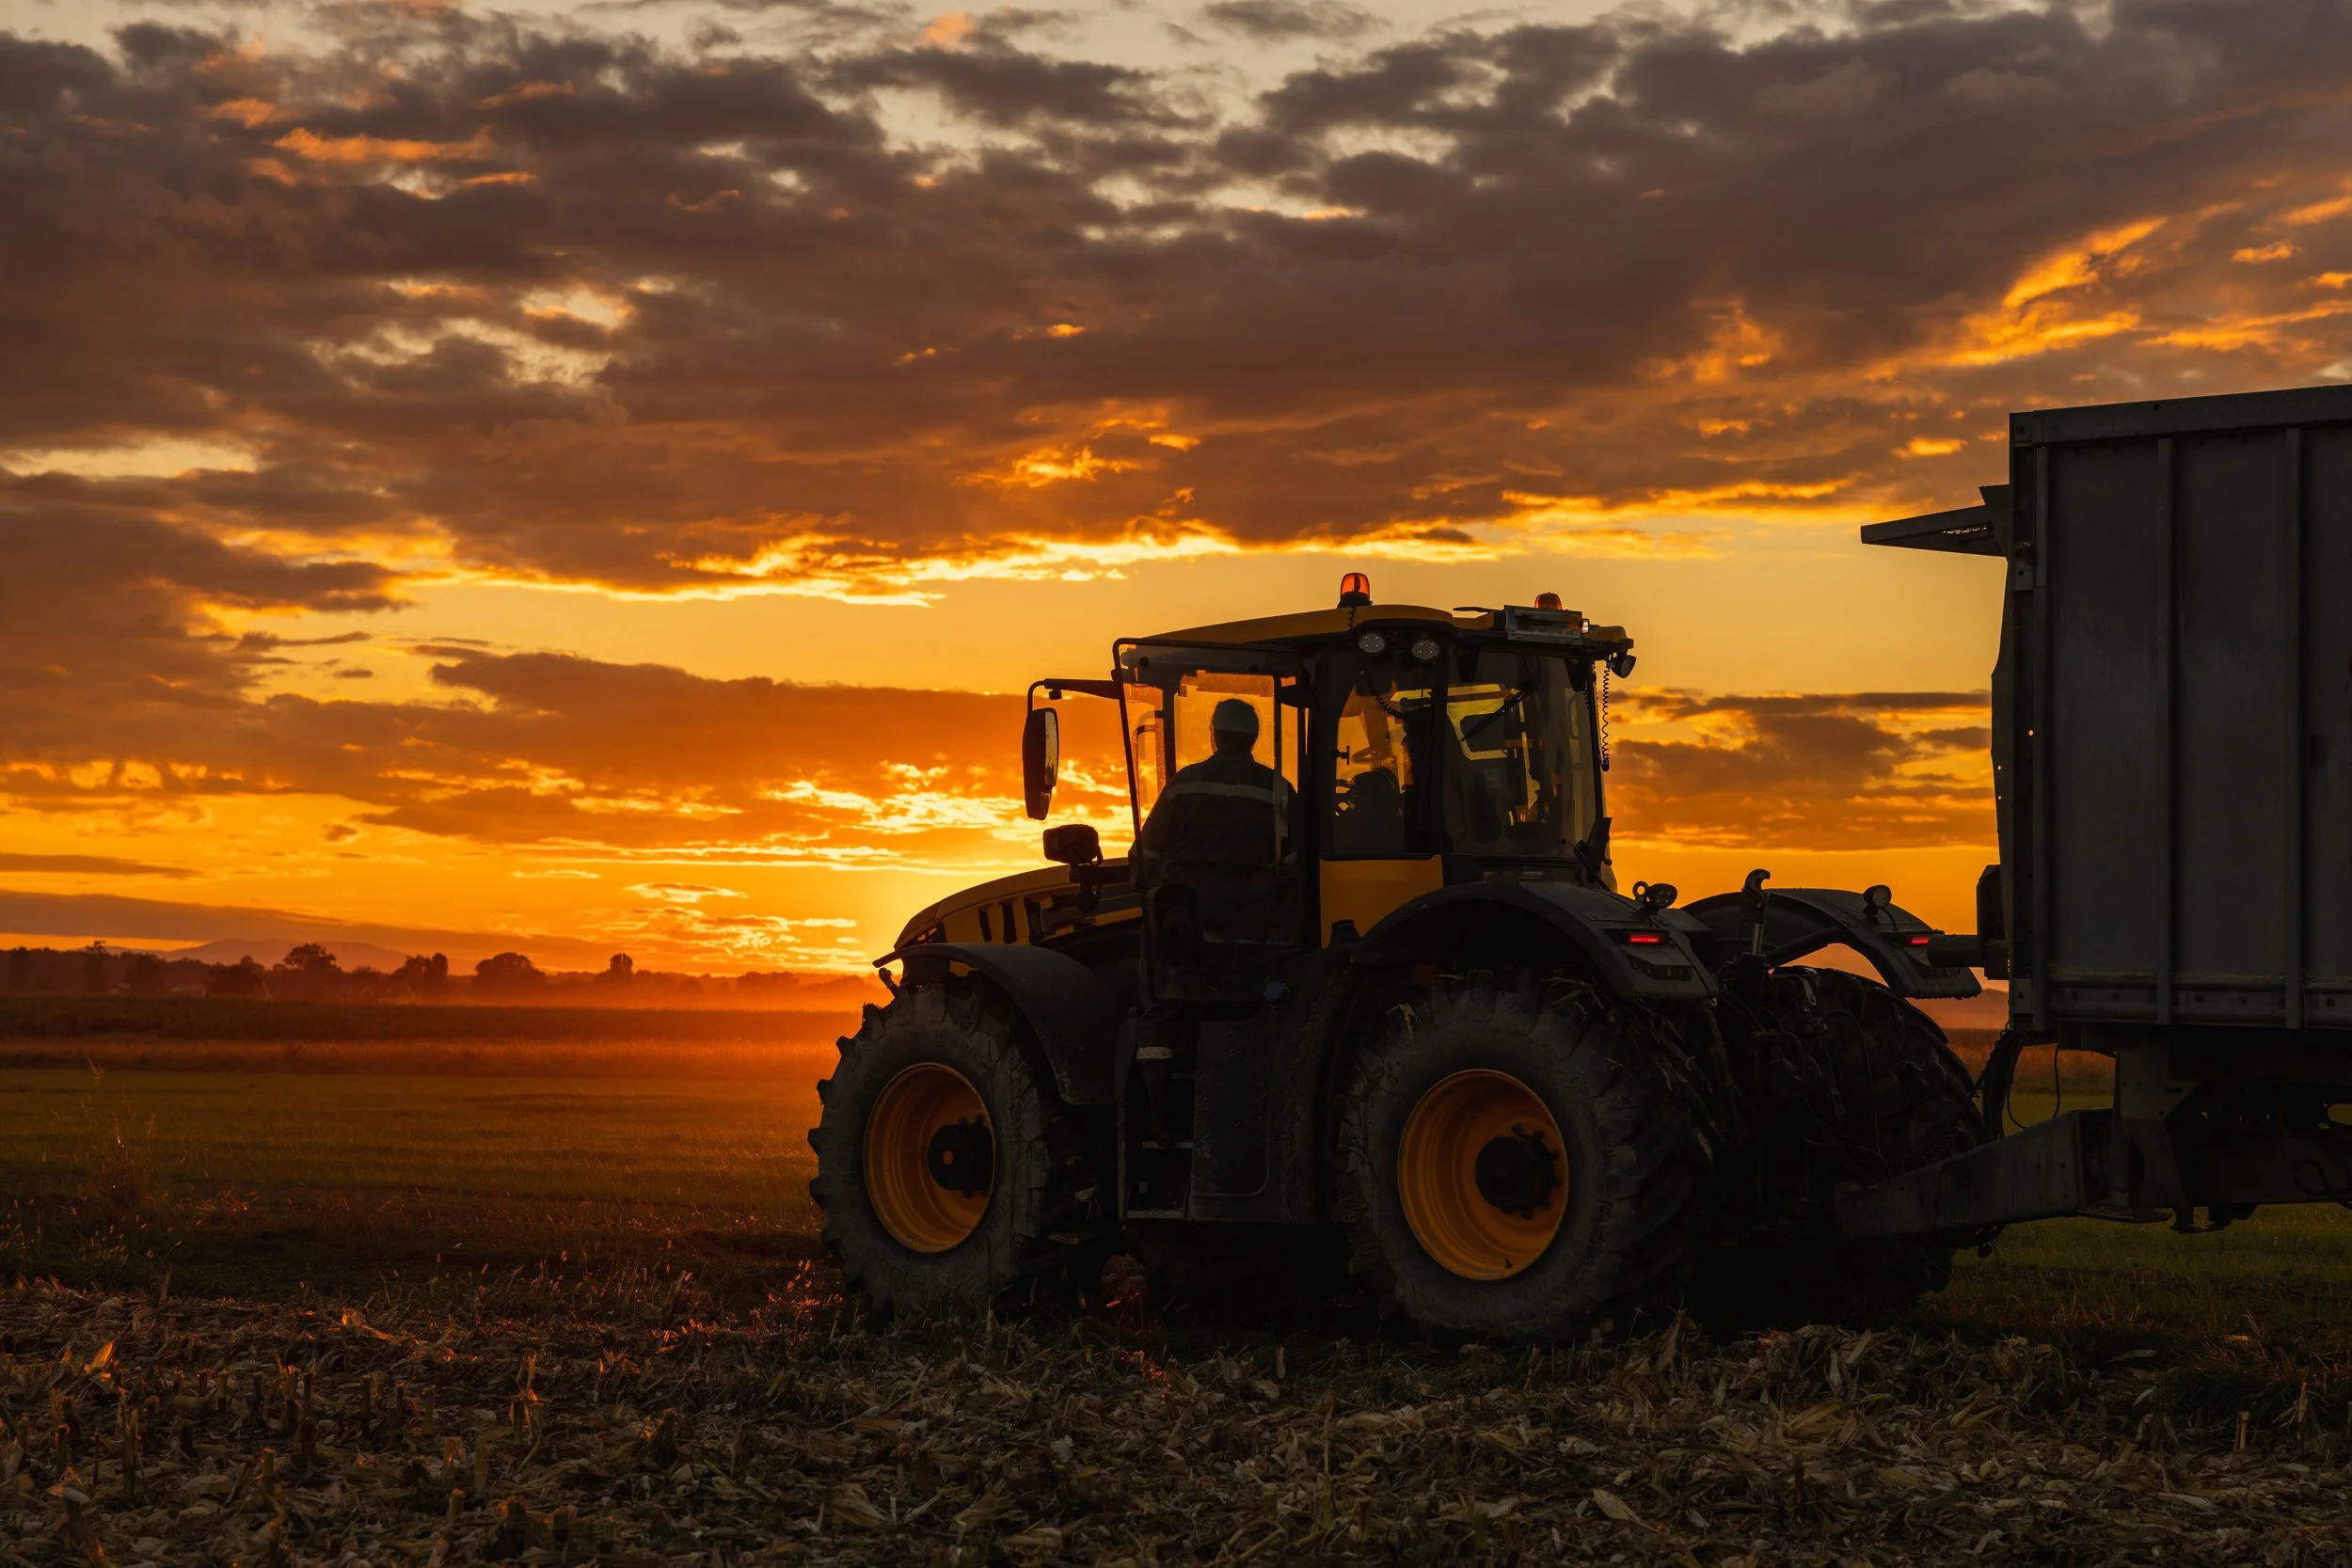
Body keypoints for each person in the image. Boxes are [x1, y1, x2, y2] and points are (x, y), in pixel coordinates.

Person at [1137, 698, 1292, 962]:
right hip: (1254, 918)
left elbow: (1148, 848)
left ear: (1216, 735)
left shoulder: (1184, 783)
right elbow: (1294, 856)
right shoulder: (1278, 789)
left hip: (1190, 912)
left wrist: (1144, 884)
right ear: (1253, 738)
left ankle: (1153, 999)